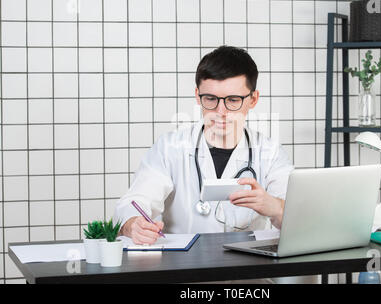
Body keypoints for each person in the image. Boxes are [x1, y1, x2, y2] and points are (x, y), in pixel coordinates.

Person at [114, 45, 294, 246]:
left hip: (248, 270)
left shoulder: (270, 153)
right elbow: (136, 201)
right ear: (198, 95)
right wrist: (133, 224)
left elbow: (301, 219)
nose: (221, 111)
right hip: (184, 270)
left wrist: (276, 207)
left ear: (253, 99)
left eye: (233, 100)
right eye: (210, 99)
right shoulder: (170, 148)